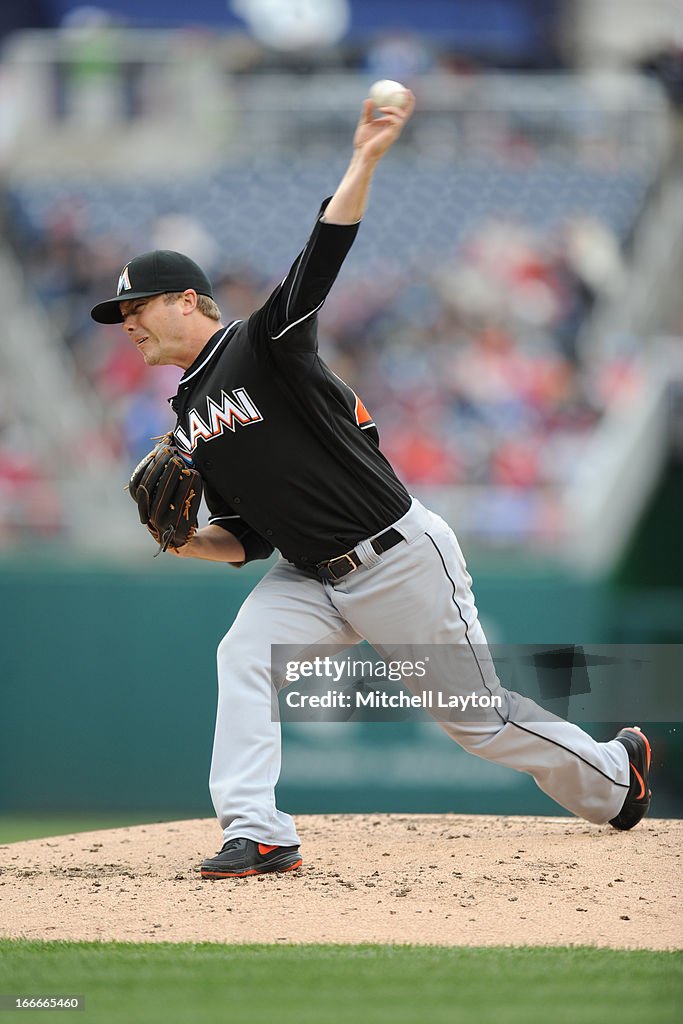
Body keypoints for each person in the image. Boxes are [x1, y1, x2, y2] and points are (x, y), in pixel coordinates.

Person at [91, 93, 651, 879]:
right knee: (242, 654)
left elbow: (320, 257)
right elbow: (247, 537)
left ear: (188, 300)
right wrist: (182, 542)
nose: (127, 323)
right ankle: (258, 830)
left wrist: (364, 159)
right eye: (119, 315)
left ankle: (614, 776)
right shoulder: (184, 420)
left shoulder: (263, 344)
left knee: (476, 723)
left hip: (395, 557)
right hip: (307, 572)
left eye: (136, 306)